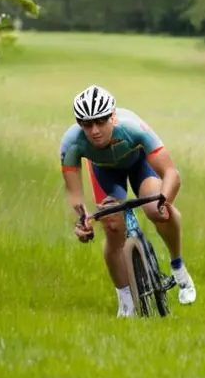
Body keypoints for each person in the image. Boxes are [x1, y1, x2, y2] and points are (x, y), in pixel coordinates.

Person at [59, 85, 197, 317]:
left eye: (100, 122)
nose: (94, 131)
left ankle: (178, 267)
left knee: (157, 210)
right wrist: (82, 221)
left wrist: (165, 200)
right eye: (87, 124)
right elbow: (74, 193)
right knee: (113, 228)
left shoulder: (133, 129)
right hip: (105, 174)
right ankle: (125, 302)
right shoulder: (72, 141)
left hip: (139, 166)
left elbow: (171, 173)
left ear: (112, 117)